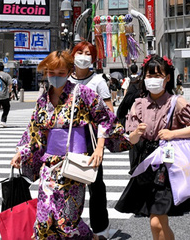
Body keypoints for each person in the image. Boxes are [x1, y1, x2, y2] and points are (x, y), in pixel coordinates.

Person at [10, 50, 127, 239]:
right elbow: (35, 131)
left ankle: (91, 238)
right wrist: (21, 153)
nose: (56, 77)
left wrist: (99, 148)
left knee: (66, 221)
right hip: (49, 165)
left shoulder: (82, 93)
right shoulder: (43, 100)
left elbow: (105, 118)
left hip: (72, 164)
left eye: (61, 73)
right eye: (52, 73)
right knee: (44, 218)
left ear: (69, 71)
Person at [115, 54, 190, 240]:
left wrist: (173, 134)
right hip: (146, 164)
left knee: (157, 221)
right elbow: (130, 139)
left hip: (168, 166)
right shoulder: (138, 104)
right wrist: (137, 132)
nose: (152, 79)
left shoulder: (176, 102)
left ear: (167, 77)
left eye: (157, 75)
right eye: (149, 75)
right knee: (158, 223)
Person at [68, 42, 117, 239]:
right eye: (80, 52)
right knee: (68, 185)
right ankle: (72, 227)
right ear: (72, 55)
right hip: (67, 139)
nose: (83, 56)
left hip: (90, 139)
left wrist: (100, 145)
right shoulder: (64, 79)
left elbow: (109, 112)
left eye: (88, 53)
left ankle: (100, 228)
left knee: (95, 186)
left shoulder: (98, 81)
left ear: (93, 58)